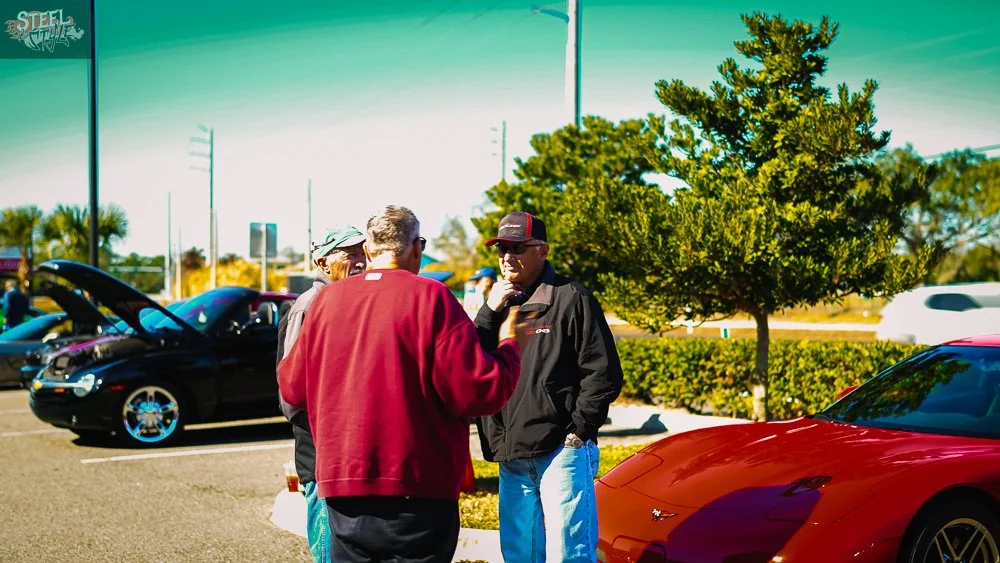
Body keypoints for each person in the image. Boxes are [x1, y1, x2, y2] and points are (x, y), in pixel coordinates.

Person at [278, 205, 526, 562]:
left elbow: (292, 388)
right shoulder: (431, 298)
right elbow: (475, 390)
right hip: (416, 484)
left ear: (368, 251)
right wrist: (509, 347)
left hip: (343, 483)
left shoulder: (326, 302)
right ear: (416, 248)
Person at [474, 211, 624, 562]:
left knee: (568, 553)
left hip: (561, 452)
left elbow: (603, 372)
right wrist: (488, 310)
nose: (507, 256)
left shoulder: (571, 297)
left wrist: (579, 432)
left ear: (542, 250)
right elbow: (470, 362)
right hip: (511, 455)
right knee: (519, 554)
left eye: (517, 247)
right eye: (501, 249)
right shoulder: (499, 305)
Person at [275, 225, 367, 563]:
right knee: (329, 547)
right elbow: (290, 393)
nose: (359, 260)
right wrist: (328, 429)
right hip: (320, 450)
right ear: (322, 262)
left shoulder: (352, 299)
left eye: (361, 251)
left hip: (347, 450)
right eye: (349, 253)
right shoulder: (309, 306)